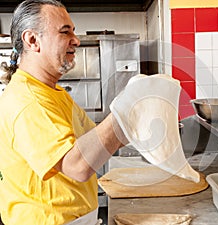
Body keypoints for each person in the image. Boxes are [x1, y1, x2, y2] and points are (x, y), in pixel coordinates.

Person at [0, 0, 128, 224]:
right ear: (32, 40)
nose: (76, 41)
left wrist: (142, 120)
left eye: (74, 32)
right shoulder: (28, 101)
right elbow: (76, 166)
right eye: (64, 32)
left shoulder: (54, 93)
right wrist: (126, 111)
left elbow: (97, 142)